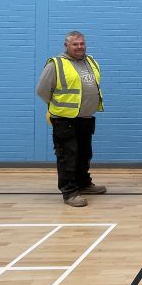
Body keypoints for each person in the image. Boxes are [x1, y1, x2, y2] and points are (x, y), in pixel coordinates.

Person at [36, 31, 106, 208]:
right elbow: (42, 90)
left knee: (84, 154)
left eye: (82, 43)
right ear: (66, 45)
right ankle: (69, 192)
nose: (80, 47)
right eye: (75, 44)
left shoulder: (91, 62)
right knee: (68, 156)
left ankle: (83, 184)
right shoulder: (56, 64)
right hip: (65, 120)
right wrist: (58, 106)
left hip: (86, 118)